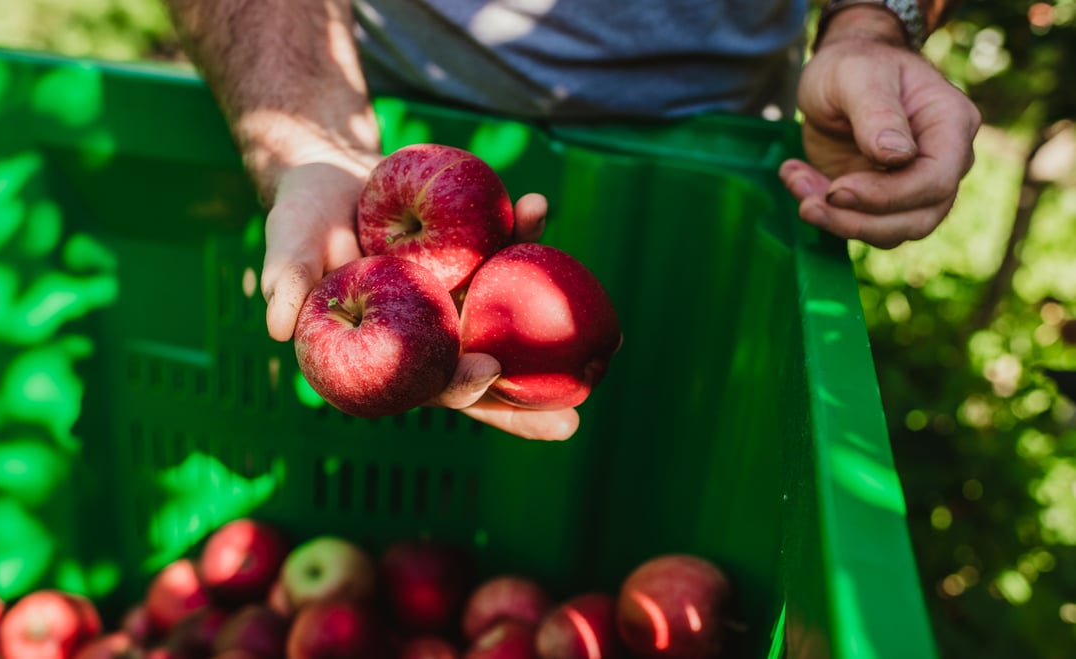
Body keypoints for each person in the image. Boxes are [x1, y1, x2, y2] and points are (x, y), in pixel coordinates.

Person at [162, 0, 981, 441]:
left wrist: (874, 20)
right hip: (369, 110)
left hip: (718, 149)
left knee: (674, 427)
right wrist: (309, 138)